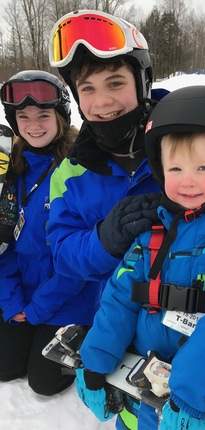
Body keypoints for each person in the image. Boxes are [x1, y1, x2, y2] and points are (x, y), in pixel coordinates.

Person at [47, 9, 205, 327]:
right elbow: (61, 253)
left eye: (115, 83)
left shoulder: (194, 138)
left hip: (195, 310)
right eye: (88, 89)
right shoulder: (70, 173)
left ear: (142, 81)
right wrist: (103, 241)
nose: (101, 102)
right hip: (111, 315)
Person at [74, 85, 205, 429]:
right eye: (175, 169)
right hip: (142, 380)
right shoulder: (153, 229)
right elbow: (120, 298)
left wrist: (195, 397)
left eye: (203, 168)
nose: (187, 182)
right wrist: (95, 360)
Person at [0, 70, 100, 397]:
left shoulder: (80, 169)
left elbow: (81, 261)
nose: (34, 125)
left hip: (70, 295)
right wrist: (14, 301)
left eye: (43, 115)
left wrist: (37, 310)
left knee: (44, 381)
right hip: (24, 291)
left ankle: (86, 333)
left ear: (60, 116)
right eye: (23, 117)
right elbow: (5, 245)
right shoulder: (11, 171)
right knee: (5, 367)